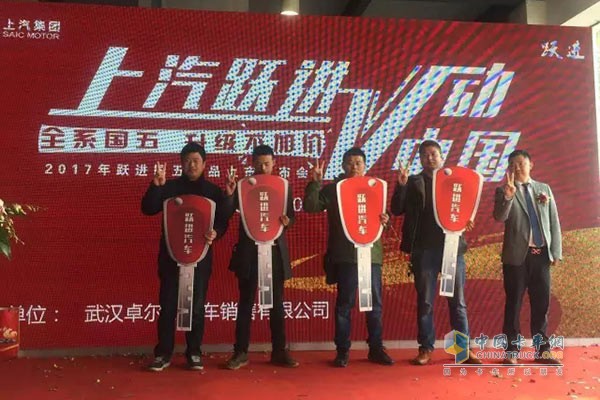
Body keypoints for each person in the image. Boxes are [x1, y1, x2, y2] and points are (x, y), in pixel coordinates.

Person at [390, 140, 481, 366]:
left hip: (451, 248)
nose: (429, 158)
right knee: (425, 302)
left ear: (442, 157)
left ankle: (463, 350)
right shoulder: (413, 182)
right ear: (420, 159)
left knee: (457, 302)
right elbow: (396, 209)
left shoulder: (454, 181)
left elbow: (466, 207)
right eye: (424, 155)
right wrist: (401, 186)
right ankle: (426, 348)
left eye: (433, 154)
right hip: (423, 250)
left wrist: (467, 221)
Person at [141, 142, 229, 372]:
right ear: (181, 163)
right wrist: (156, 186)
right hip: (171, 257)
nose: (192, 165)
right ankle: (163, 353)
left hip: (200, 258)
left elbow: (223, 221)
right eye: (187, 161)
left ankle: (194, 352)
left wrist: (216, 232)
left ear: (204, 164)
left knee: (196, 307)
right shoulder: (169, 188)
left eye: (196, 161)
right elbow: (148, 208)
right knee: (168, 306)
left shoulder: (213, 192)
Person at [303, 147, 394, 368]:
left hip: (371, 255)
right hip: (346, 256)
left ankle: (376, 348)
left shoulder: (374, 188)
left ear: (365, 166)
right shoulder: (335, 189)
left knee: (375, 305)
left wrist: (386, 220)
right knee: (345, 305)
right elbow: (311, 206)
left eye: (358, 163)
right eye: (350, 163)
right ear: (343, 166)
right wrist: (315, 182)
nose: (354, 166)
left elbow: (383, 219)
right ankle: (342, 351)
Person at [224, 145, 299, 370]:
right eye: (258, 164)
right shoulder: (243, 186)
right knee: (246, 303)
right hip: (249, 252)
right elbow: (226, 213)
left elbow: (291, 216)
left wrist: (288, 221)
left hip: (274, 253)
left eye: (267, 163)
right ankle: (240, 352)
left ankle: (279, 351)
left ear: (274, 163)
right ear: (252, 164)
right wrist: (229, 195)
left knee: (277, 304)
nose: (263, 167)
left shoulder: (283, 186)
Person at [493, 150, 562, 365]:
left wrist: (556, 251)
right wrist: (508, 196)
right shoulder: (503, 190)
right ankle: (511, 351)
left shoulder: (544, 189)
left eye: (521, 163)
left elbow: (554, 220)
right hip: (516, 258)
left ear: (531, 164)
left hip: (541, 256)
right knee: (513, 305)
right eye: (512, 164)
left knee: (541, 305)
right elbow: (499, 217)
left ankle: (542, 351)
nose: (517, 167)